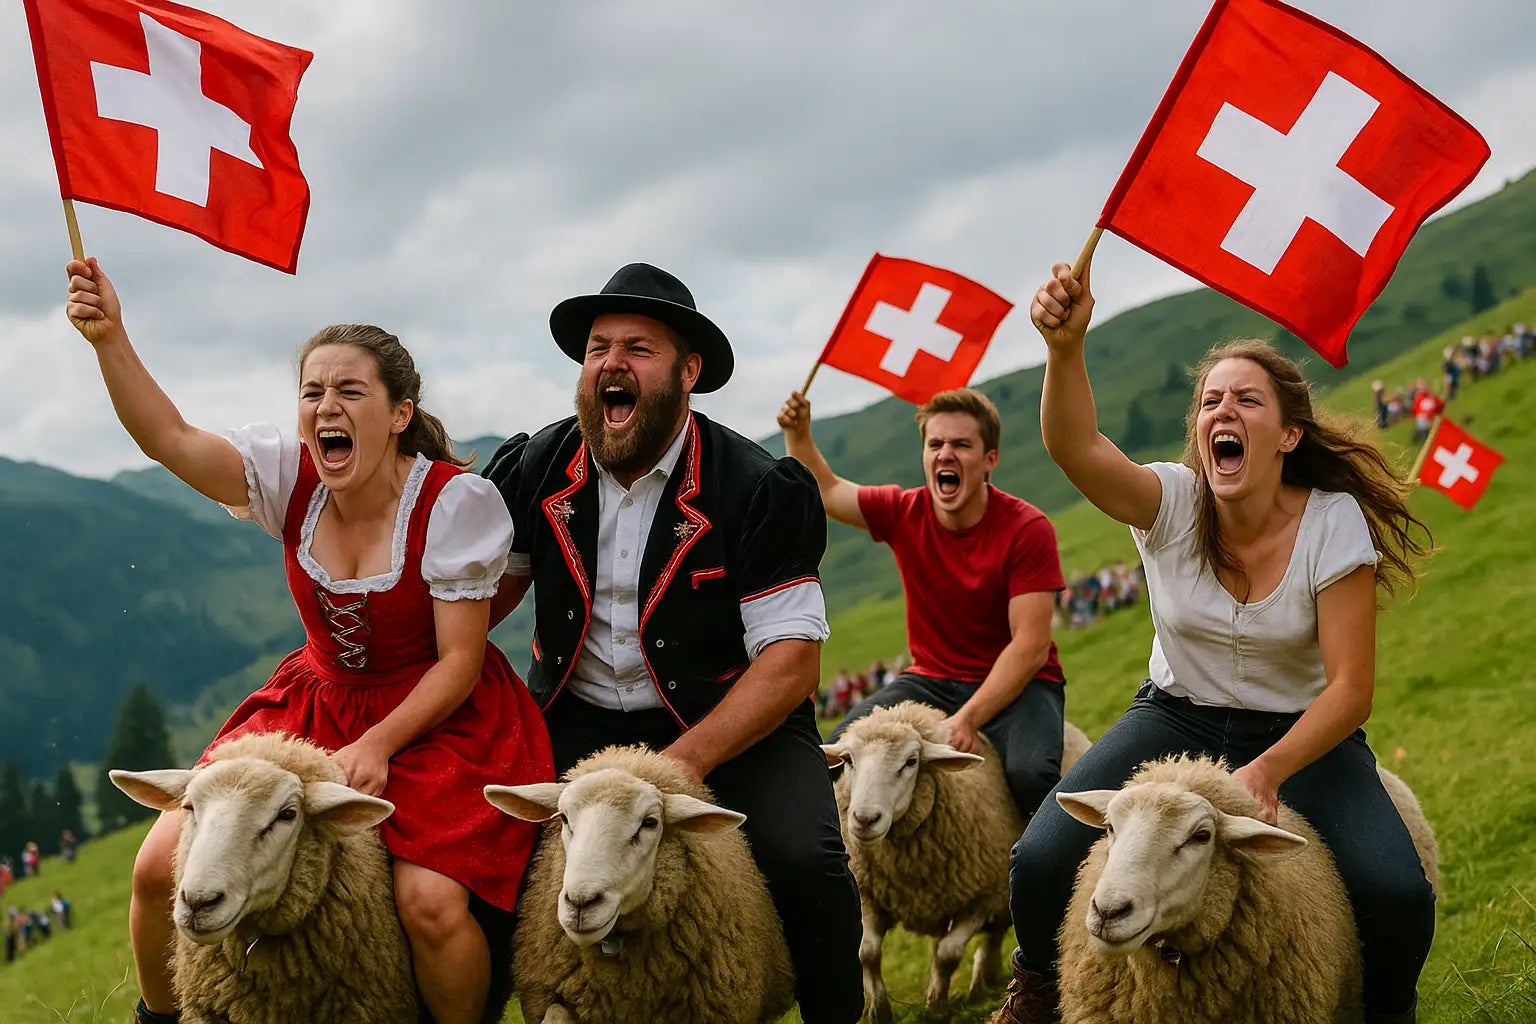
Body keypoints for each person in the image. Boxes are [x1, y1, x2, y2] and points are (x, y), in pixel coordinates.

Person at [64, 258, 554, 1024]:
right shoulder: (288, 477)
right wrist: (109, 338)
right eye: (313, 392)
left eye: (350, 391)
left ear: (398, 414)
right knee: (159, 867)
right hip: (314, 701)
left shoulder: (454, 505)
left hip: (437, 712)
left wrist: (381, 745)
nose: (327, 405)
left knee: (428, 903)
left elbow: (460, 662)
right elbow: (167, 437)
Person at [987, 259, 1435, 1024]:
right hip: (1175, 715)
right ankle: (1037, 990)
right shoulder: (1173, 500)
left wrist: (1267, 771)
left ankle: (1386, 1010)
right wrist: (1064, 350)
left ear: (1288, 433)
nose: (1222, 410)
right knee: (1039, 859)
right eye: (1210, 400)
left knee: (1397, 891)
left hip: (1301, 735)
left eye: (1246, 400)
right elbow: (1076, 448)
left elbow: (1350, 689)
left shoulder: (1332, 524)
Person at [482, 262, 862, 1023]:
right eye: (597, 348)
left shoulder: (756, 485)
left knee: (807, 861)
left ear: (689, 372)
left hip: (725, 718)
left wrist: (682, 766)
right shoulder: (536, 469)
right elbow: (480, 606)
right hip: (573, 717)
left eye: (639, 348)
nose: (611, 364)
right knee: (476, 849)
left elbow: (791, 662)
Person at [780, 387, 1068, 820]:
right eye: (935, 444)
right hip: (930, 678)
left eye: (961, 444)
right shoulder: (903, 510)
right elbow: (828, 491)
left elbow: (1030, 646)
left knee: (1031, 774)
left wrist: (968, 719)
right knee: (837, 753)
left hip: (1022, 687)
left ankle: (1043, 877)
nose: (945, 454)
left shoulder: (1027, 529)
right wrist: (798, 435)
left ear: (990, 459)